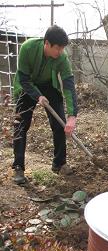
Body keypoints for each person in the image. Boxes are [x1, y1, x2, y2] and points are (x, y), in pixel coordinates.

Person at [12, 25, 78, 184]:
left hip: (49, 86)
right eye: (57, 48)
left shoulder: (61, 58)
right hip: (27, 86)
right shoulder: (28, 48)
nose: (60, 52)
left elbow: (68, 84)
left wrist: (72, 115)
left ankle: (59, 163)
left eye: (62, 48)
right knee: (20, 124)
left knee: (59, 123)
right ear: (47, 43)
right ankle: (18, 167)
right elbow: (24, 78)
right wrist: (37, 96)